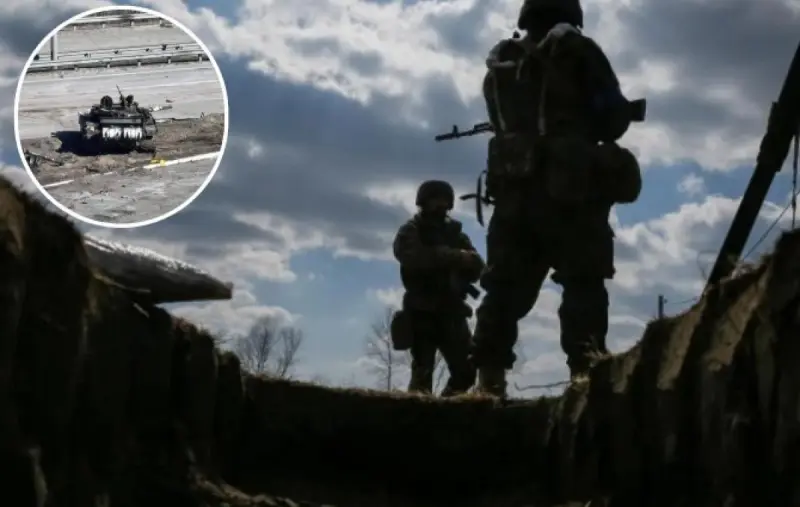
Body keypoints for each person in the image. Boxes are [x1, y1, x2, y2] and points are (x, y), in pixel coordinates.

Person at [470, 0, 643, 396]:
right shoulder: (578, 50)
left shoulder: (501, 63)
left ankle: (488, 382)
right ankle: (585, 381)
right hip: (571, 196)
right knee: (583, 285)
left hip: (513, 198)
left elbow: (500, 120)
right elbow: (612, 119)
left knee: (503, 289)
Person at [391, 180, 485, 396]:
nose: (441, 205)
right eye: (435, 200)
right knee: (422, 377)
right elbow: (412, 256)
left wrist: (466, 264)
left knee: (466, 372)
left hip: (451, 311)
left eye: (444, 201)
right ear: (424, 202)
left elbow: (477, 265)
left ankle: (446, 407)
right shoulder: (411, 230)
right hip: (421, 311)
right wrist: (454, 257)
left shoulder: (456, 234)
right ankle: (419, 413)